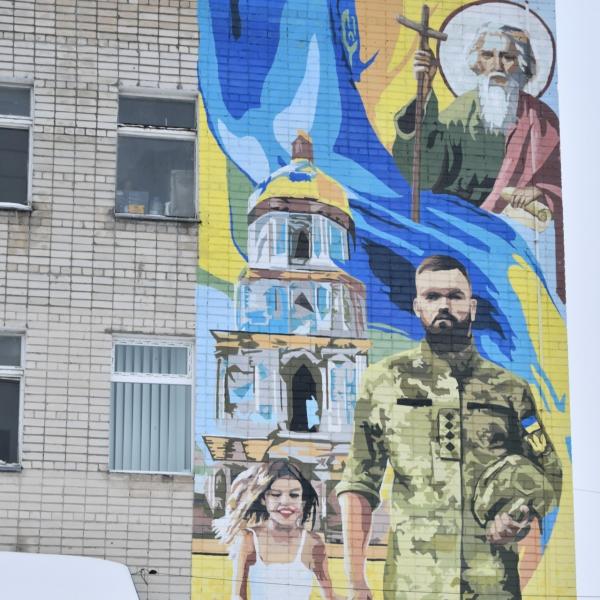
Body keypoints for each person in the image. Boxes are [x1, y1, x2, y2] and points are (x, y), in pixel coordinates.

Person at [336, 255, 562, 600]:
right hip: (413, 585)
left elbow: (547, 470)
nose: (444, 305)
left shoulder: (510, 390)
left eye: (455, 296)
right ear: (417, 306)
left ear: (472, 306)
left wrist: (520, 513)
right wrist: (355, 581)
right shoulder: (383, 382)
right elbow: (359, 482)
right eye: (432, 296)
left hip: (492, 585)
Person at [392, 23, 565, 301]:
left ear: (521, 65)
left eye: (507, 57)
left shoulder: (541, 120)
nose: (497, 65)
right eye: (488, 55)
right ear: (477, 63)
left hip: (521, 239)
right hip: (465, 235)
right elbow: (425, 174)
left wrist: (539, 191)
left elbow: (561, 180)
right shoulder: (460, 113)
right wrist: (424, 92)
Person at [214, 459, 340, 600]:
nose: (285, 502)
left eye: (294, 495)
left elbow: (330, 596)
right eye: (276, 494)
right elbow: (238, 596)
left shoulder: (313, 542)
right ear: (264, 499)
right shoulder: (249, 540)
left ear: (302, 501)